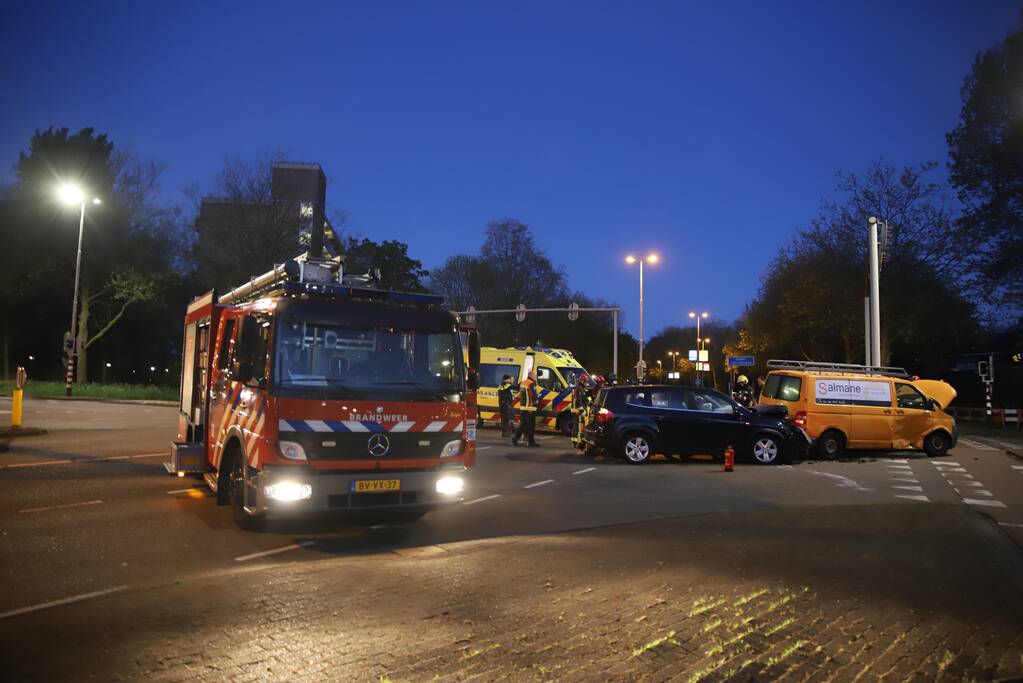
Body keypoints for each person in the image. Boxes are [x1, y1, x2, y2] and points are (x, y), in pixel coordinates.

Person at [512, 370, 539, 447]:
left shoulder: (523, 382)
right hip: (530, 408)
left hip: (523, 407)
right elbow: (534, 396)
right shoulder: (531, 384)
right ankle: (530, 442)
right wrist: (536, 402)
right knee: (530, 426)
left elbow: (521, 393)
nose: (536, 377)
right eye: (535, 375)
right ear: (532, 376)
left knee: (523, 425)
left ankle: (516, 438)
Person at [570, 373, 590, 447]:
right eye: (585, 381)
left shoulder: (579, 388)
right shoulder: (579, 389)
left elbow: (583, 399)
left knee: (576, 426)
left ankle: (575, 442)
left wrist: (589, 401)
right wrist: (582, 410)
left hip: (576, 410)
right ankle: (578, 442)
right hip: (578, 410)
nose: (586, 383)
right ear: (582, 381)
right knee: (578, 427)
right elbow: (578, 400)